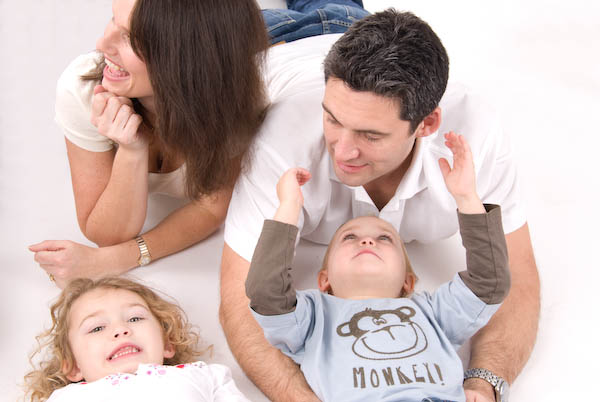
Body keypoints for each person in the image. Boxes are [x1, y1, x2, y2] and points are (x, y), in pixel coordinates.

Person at [220, 9, 539, 402]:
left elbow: (512, 277)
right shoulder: (284, 146)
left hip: (357, 24)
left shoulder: (472, 142)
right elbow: (243, 298)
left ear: (426, 124)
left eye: (370, 136)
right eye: (332, 120)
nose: (343, 151)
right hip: (274, 41)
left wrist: (483, 386)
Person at [246, 132, 510, 402]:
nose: (367, 240)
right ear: (325, 280)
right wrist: (289, 207)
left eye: (385, 238)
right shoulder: (315, 317)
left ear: (408, 281)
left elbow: (488, 283)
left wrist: (467, 198)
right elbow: (267, 293)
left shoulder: (432, 312)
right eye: (349, 237)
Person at [28, 0, 269, 288]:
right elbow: (107, 233)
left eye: (131, 38)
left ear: (185, 59)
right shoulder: (82, 89)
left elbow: (212, 208)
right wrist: (132, 149)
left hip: (287, 35)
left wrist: (113, 260)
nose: (102, 44)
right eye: (113, 20)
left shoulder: (240, 101)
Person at [23, 276, 248, 402]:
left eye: (134, 318)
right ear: (73, 366)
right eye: (97, 328)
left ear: (167, 343)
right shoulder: (66, 398)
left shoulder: (204, 376)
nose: (121, 330)